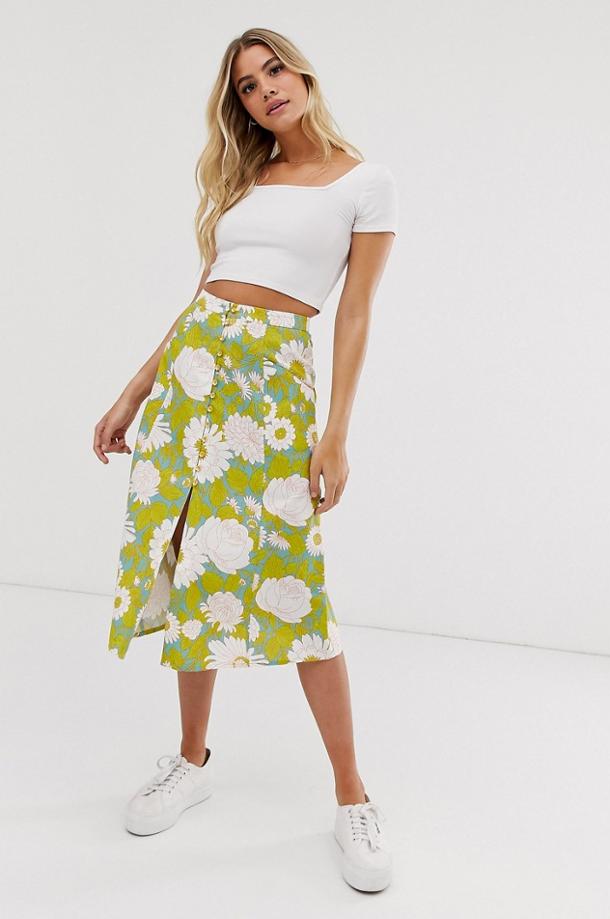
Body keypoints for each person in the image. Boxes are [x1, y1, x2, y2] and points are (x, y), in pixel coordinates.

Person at [93, 27, 398, 893]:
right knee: (189, 559)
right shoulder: (246, 180)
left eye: (274, 71)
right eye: (248, 86)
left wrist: (336, 432)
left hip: (272, 385)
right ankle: (191, 759)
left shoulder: (365, 182)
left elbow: (354, 313)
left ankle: (352, 795)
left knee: (296, 576)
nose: (266, 90)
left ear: (303, 73)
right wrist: (133, 393)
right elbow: (203, 298)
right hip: (193, 375)